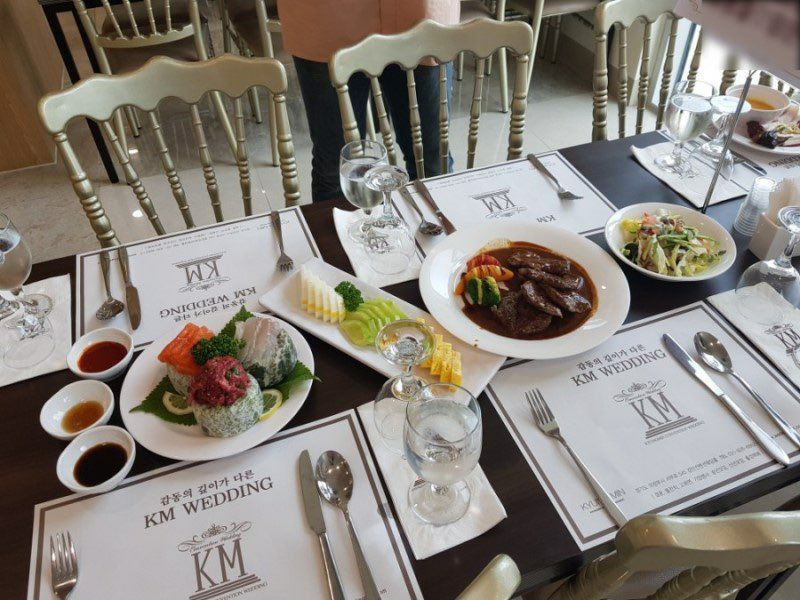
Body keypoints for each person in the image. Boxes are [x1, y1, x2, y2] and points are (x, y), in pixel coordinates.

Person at [277, 0, 460, 202]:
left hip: (419, 14)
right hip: (326, 17)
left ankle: (438, 222)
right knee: (337, 169)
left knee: (432, 163)